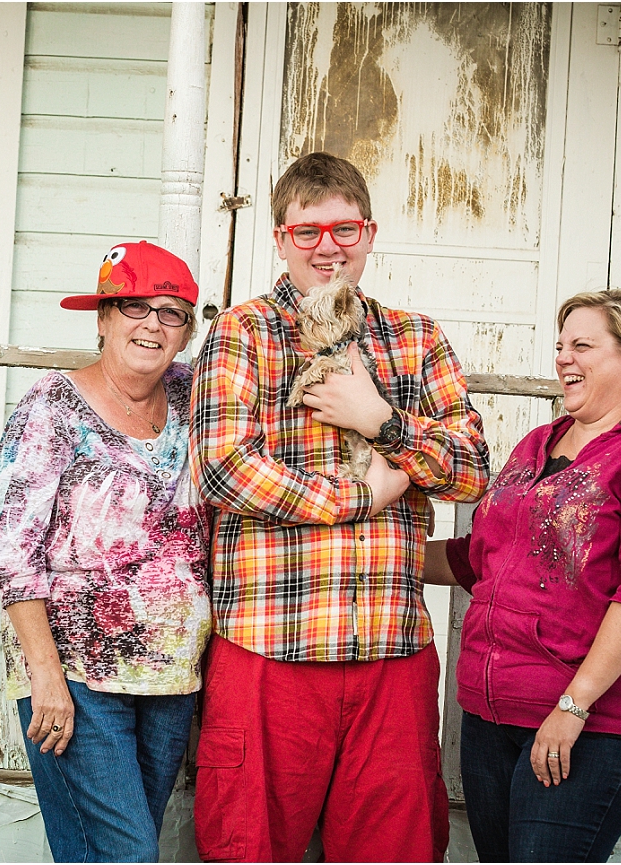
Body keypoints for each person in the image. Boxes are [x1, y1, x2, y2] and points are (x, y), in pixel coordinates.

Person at [190, 152, 490, 862]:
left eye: (344, 228)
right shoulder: (244, 333)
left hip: (392, 648)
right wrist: (361, 496)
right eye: (308, 231)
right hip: (269, 647)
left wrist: (380, 418)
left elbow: (473, 470)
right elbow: (228, 471)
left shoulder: (416, 338)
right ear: (280, 237)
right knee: (247, 844)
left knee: (396, 848)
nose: (328, 246)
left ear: (370, 232)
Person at [424, 290, 621, 862]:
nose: (564, 358)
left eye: (583, 345)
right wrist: (370, 551)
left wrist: (572, 708)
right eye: (560, 346)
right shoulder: (537, 445)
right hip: (490, 715)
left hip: (593, 721)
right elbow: (480, 557)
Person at [0, 241, 212, 862]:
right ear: (103, 319)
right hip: (76, 676)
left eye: (170, 313)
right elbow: (12, 551)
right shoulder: (52, 408)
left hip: (171, 677)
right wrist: (45, 677)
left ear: (186, 331)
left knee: (100, 852)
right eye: (134, 307)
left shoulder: (198, 398)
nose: (151, 324)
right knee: (128, 854)